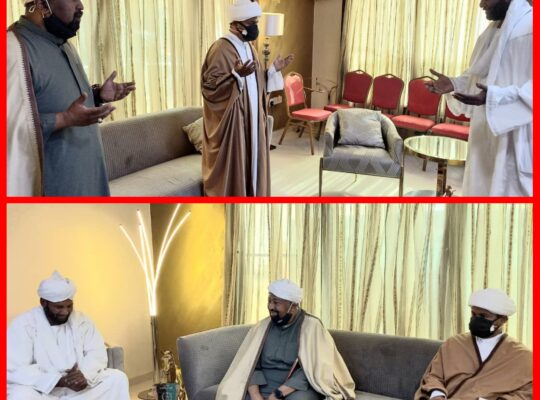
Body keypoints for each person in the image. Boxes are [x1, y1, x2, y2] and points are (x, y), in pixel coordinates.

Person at [7, 0, 136, 196]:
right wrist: (64, 119)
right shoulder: (12, 49)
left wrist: (97, 95)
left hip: (91, 181)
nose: (81, 6)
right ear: (42, 4)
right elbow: (8, 128)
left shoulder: (65, 45)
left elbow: (55, 99)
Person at [426, 0, 532, 196]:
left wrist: (496, 97)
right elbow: (477, 77)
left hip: (514, 141)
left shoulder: (531, 26)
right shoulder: (489, 33)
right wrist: (453, 84)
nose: (481, 4)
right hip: (482, 136)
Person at [201, 0, 294, 196]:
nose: (255, 28)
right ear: (237, 25)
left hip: (253, 119)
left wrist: (273, 70)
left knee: (254, 166)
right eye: (252, 23)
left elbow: (256, 82)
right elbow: (209, 88)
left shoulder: (250, 48)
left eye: (256, 22)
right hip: (236, 123)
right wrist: (235, 76)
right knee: (239, 167)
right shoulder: (221, 48)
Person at [217, 279, 356, 399]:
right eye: (269, 301)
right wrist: (255, 395)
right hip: (262, 384)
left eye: (276, 303)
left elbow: (314, 368)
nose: (271, 307)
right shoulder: (262, 327)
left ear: (293, 307)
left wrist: (278, 393)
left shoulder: (311, 327)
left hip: (296, 387)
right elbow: (250, 364)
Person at [7, 271, 130, 399]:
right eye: (59, 307)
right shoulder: (24, 325)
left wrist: (84, 375)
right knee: (20, 395)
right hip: (45, 390)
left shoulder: (82, 321)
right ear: (43, 302)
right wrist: (58, 381)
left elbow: (96, 352)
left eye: (69, 306)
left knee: (117, 378)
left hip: (79, 388)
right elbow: (15, 369)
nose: (65, 312)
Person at [414, 288, 532, 400]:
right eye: (473, 314)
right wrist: (437, 395)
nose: (476, 319)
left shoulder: (522, 356)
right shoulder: (453, 344)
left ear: (502, 320)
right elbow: (433, 376)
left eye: (483, 316)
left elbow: (528, 392)